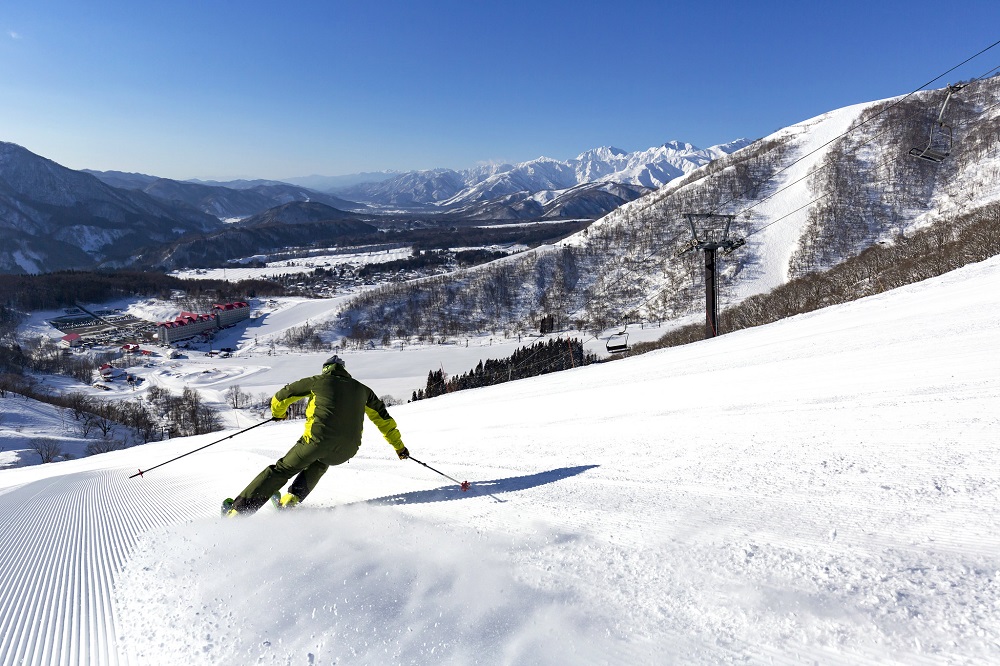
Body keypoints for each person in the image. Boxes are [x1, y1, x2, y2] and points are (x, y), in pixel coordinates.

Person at [223, 354, 409, 516]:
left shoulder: (318, 381)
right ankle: (290, 500)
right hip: (348, 450)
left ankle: (237, 512)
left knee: (281, 470)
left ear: (325, 370)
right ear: (344, 370)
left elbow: (282, 395)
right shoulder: (363, 390)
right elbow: (385, 421)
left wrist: (279, 414)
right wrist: (399, 447)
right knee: (320, 462)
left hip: (316, 442)